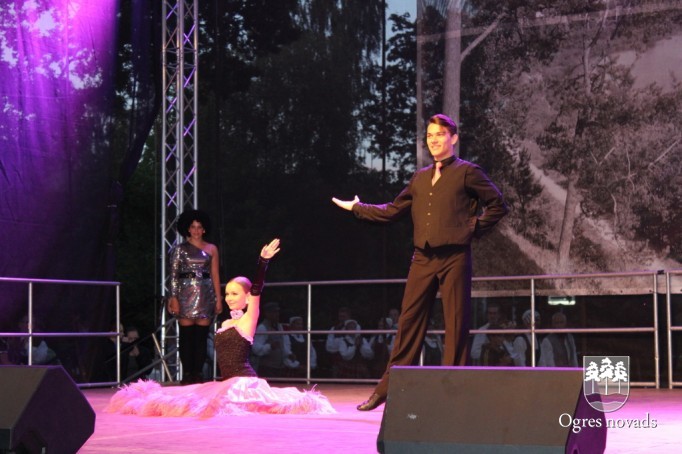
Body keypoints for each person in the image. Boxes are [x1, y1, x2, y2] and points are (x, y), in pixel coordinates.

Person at [332, 113, 508, 411]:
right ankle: (388, 389)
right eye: (429, 135)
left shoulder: (468, 172)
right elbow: (392, 210)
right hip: (423, 258)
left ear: (453, 138)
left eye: (440, 134)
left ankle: (453, 394)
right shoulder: (420, 177)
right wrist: (358, 208)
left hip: (454, 256)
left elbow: (498, 204)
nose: (434, 140)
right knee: (409, 323)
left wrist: (472, 227)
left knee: (456, 324)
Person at [106, 239, 336, 417]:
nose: (229, 298)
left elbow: (257, 289)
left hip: (243, 383)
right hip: (225, 382)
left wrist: (263, 262)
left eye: (235, 293)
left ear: (247, 297)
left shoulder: (248, 319)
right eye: (227, 293)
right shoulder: (226, 323)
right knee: (182, 398)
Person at [167, 209, 223, 384]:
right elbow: (174, 275)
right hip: (185, 294)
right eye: (193, 227)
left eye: (199, 227)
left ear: (204, 229)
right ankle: (187, 374)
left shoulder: (212, 248)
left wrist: (219, 298)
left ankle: (198, 373)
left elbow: (215, 274)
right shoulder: (179, 249)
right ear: (188, 229)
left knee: (201, 337)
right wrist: (173, 297)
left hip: (205, 294)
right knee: (186, 337)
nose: (196, 230)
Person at [251, 302, 290, 377]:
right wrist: (270, 346)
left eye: (277, 312)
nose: (277, 314)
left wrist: (288, 354)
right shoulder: (262, 327)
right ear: (267, 314)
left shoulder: (279, 326)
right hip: (267, 367)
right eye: (274, 312)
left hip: (279, 367)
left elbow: (283, 344)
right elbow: (256, 349)